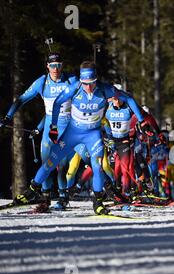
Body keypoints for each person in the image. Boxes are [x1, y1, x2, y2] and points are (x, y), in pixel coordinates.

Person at [9, 61, 150, 215]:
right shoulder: (74, 88)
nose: (88, 87)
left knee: (97, 166)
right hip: (72, 134)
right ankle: (32, 190)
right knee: (50, 162)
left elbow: (128, 99)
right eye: (85, 83)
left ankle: (98, 202)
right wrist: (54, 127)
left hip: (93, 135)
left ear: (96, 79)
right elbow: (57, 103)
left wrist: (142, 121)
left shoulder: (105, 89)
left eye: (91, 83)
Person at [0, 53, 77, 209]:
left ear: (62, 66)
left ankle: (63, 196)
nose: (56, 69)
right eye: (52, 65)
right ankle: (45, 196)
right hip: (50, 128)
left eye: (58, 65)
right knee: (46, 164)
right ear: (47, 66)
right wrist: (8, 117)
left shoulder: (72, 80)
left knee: (61, 165)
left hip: (67, 128)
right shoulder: (41, 83)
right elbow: (21, 99)